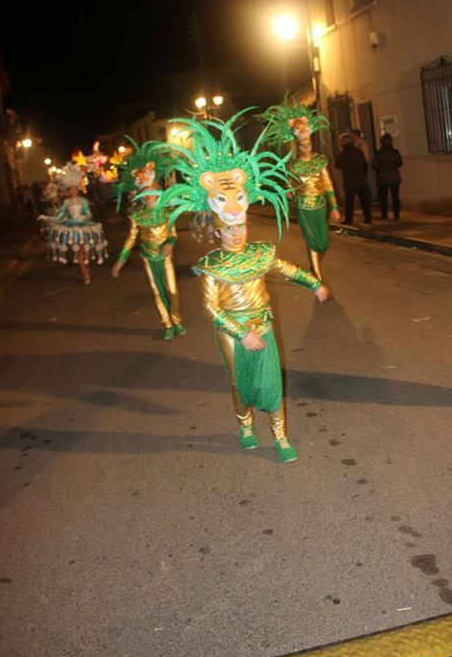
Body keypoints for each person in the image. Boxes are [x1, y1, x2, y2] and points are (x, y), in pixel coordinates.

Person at [156, 112, 330, 462]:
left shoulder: (260, 253)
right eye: (231, 229)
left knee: (272, 383)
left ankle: (280, 437)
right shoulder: (212, 267)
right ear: (218, 231)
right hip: (231, 330)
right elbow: (211, 309)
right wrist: (240, 333)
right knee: (241, 383)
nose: (238, 232)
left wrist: (315, 284)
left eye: (241, 227)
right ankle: (245, 425)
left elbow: (286, 270)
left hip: (261, 320)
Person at [112, 139, 186, 341]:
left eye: (151, 190)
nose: (148, 195)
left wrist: (170, 245)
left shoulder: (166, 211)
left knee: (172, 289)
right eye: (144, 192)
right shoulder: (136, 216)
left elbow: (172, 233)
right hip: (148, 256)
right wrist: (120, 261)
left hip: (165, 255)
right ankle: (168, 324)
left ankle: (177, 320)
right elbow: (130, 240)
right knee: (157, 291)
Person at [260, 94, 339, 278]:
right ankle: (317, 275)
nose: (306, 146)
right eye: (302, 144)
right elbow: (288, 187)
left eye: (308, 142)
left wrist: (334, 206)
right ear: (297, 144)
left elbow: (328, 184)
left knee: (323, 242)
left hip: (321, 206)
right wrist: (288, 193)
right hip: (304, 207)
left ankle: (315, 266)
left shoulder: (320, 161)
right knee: (311, 241)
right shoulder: (293, 166)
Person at [45, 162, 108, 284]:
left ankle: (86, 266)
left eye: (75, 188)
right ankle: (85, 274)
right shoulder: (66, 203)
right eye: (71, 189)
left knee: (86, 251)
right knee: (79, 252)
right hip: (73, 229)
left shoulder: (83, 201)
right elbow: (60, 215)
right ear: (68, 191)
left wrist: (83, 218)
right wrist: (53, 218)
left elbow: (89, 214)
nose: (73, 191)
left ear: (77, 189)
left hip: (83, 227)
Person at [335, 132, 372, 224]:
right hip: (361, 179)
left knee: (349, 201)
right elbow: (364, 165)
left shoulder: (343, 154)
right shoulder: (358, 152)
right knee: (364, 200)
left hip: (349, 180)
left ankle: (349, 219)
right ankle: (368, 217)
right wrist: (363, 175)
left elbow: (337, 164)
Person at [372, 133, 403, 220]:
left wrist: (381, 168)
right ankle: (396, 215)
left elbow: (375, 165)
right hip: (395, 177)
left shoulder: (378, 153)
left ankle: (384, 214)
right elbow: (400, 163)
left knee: (383, 197)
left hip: (383, 177)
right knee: (395, 197)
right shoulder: (395, 152)